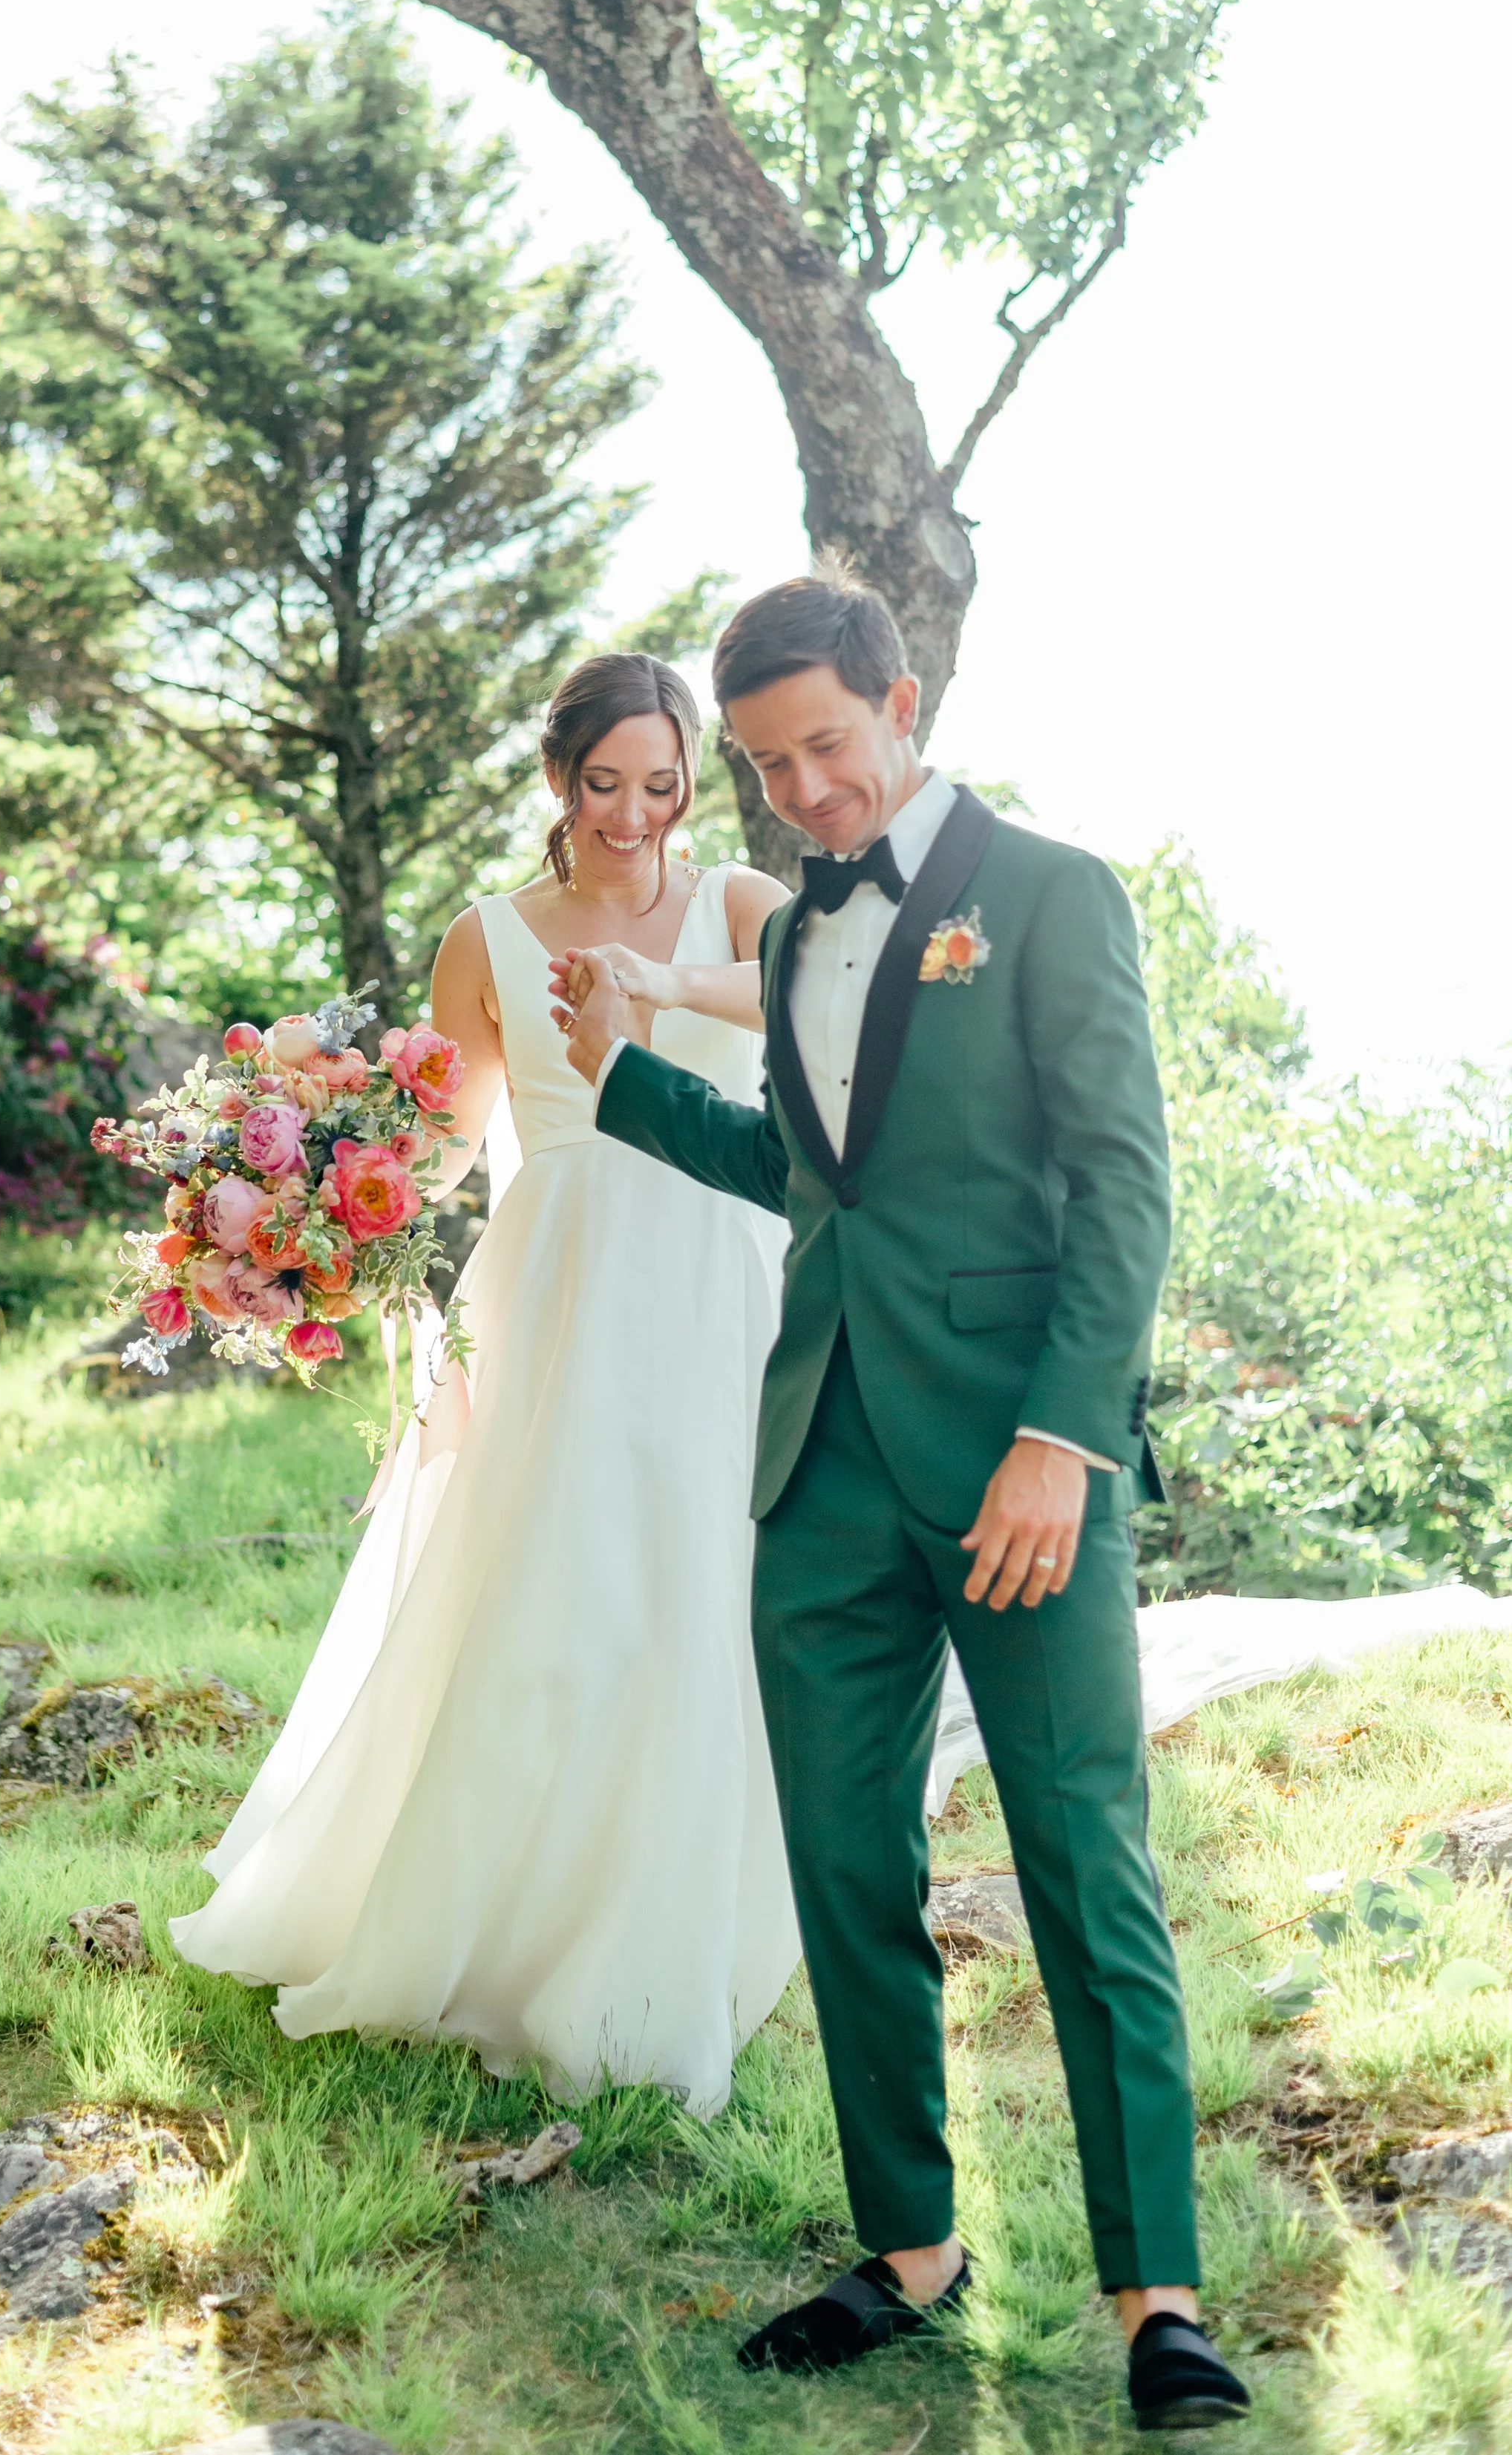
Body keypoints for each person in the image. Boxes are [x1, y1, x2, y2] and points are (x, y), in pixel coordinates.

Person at [552, 567, 1253, 2432]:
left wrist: (1061, 1442)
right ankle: (910, 2250)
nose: (804, 793)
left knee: (1080, 1860)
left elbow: (1122, 1187)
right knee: (843, 1864)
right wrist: (617, 1080)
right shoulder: (795, 935)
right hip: (821, 1471)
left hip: (1021, 1468)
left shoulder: (1050, 896)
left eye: (825, 748)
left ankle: (1156, 2299)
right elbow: (815, 1181)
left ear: (903, 702)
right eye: (768, 768)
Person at [168, 651, 801, 2117]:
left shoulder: (743, 906)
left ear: (690, 781)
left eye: (661, 785)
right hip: (561, 1283)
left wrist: (661, 984)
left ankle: (673, 1925)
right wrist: (306, 1203)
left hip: (727, 1280)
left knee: (709, 1592)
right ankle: (508, 1927)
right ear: (557, 779)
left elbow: (815, 1015)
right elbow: (447, 1153)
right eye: (604, 784)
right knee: (561, 1597)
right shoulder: (489, 939)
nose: (632, 815)